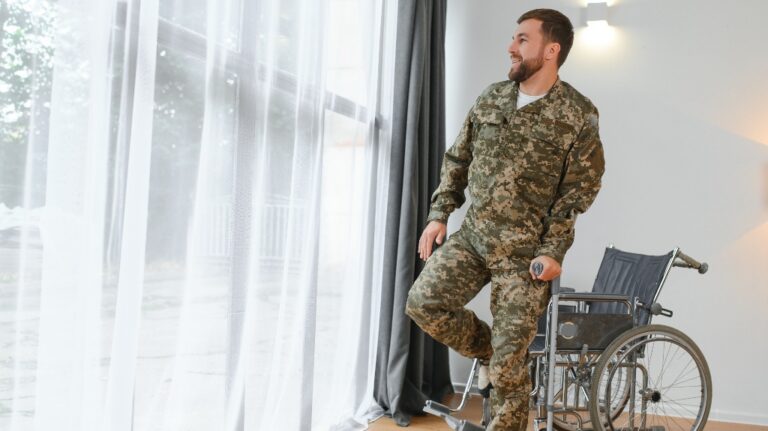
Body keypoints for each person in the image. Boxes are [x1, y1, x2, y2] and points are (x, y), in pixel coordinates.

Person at [405, 8, 605, 431]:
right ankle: (490, 351)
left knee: (510, 368)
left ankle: (503, 378)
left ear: (551, 50)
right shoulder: (492, 97)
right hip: (474, 237)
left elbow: (577, 192)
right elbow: (458, 159)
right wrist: (440, 214)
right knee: (424, 303)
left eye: (522, 39)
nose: (511, 47)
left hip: (525, 255)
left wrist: (553, 251)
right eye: (514, 39)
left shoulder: (578, 114)